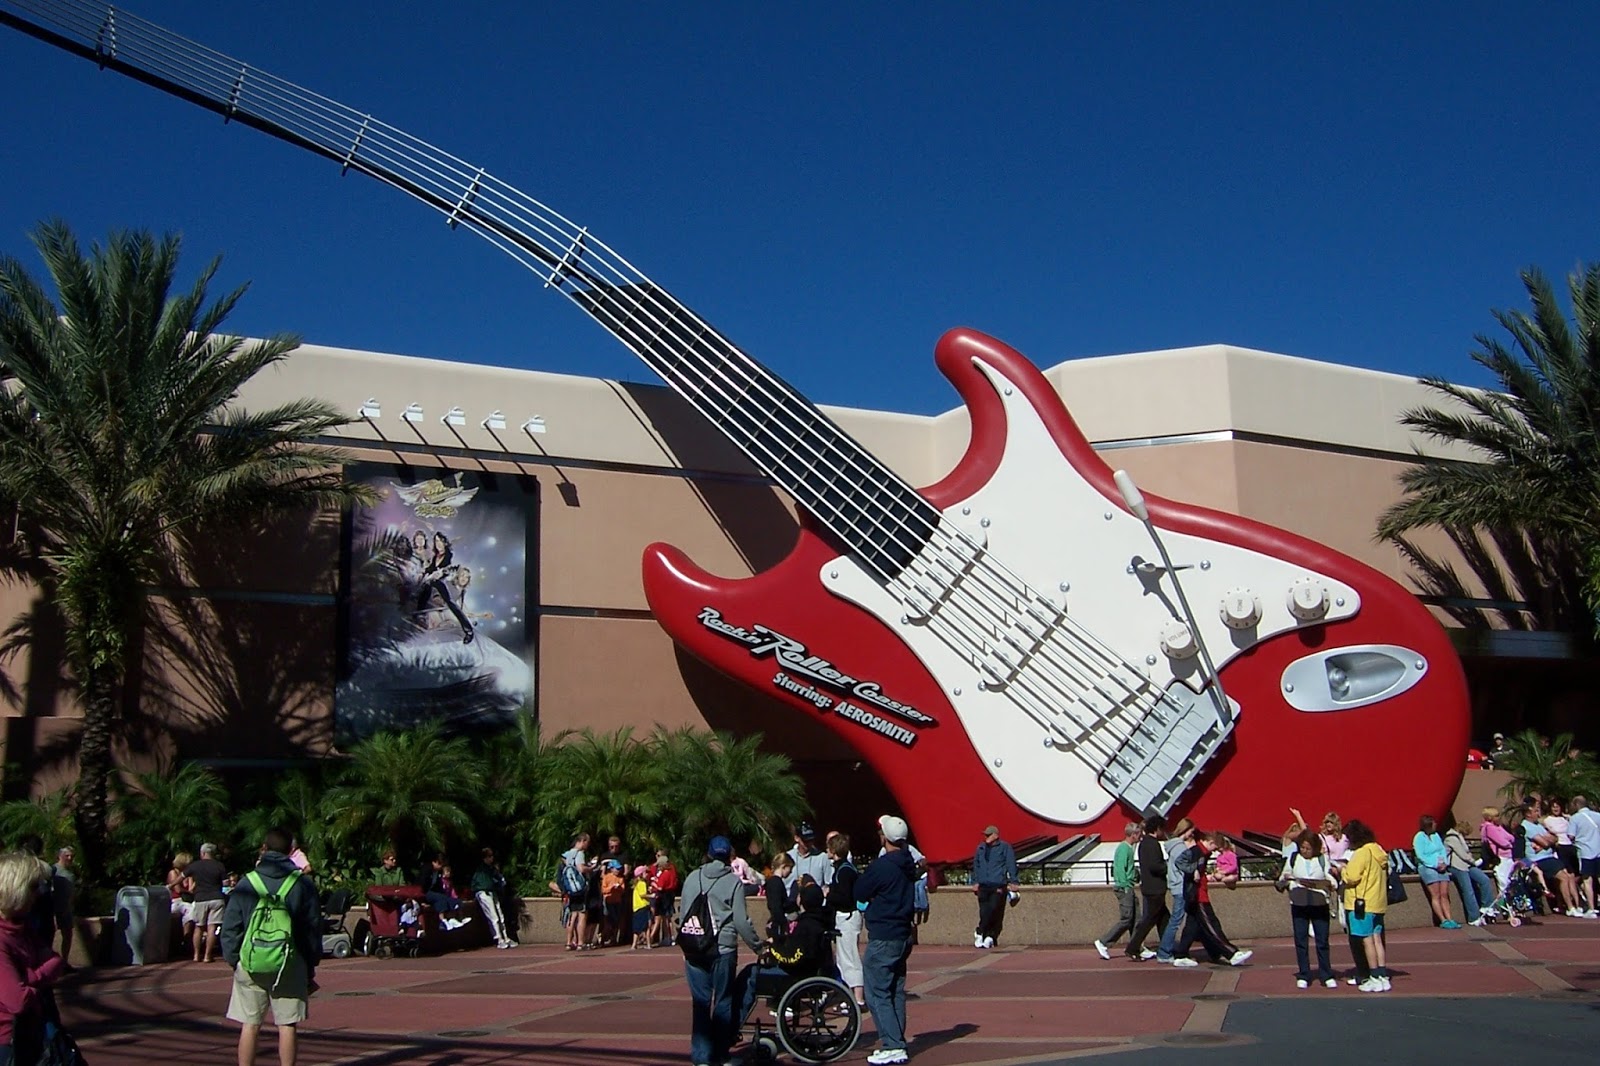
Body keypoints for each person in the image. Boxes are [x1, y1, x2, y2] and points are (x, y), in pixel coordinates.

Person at [221, 827, 321, 1066]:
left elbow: (230, 927)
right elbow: (312, 928)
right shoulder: (302, 885)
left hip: (251, 959)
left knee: (250, 1023)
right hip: (290, 961)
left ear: (264, 849)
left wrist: (235, 959)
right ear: (291, 851)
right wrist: (309, 965)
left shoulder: (247, 882)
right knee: (287, 1025)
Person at [677, 835, 762, 1066]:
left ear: (709, 853)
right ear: (728, 856)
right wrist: (757, 945)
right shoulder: (733, 882)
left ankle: (702, 1057)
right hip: (722, 948)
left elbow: (683, 913)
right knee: (723, 1000)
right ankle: (720, 1053)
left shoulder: (693, 877)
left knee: (700, 1003)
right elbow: (741, 921)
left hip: (694, 947)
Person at [855, 814, 917, 1066]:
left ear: (885, 838)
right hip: (903, 934)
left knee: (877, 991)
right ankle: (896, 1039)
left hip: (884, 935)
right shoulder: (907, 862)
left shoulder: (883, 866)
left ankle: (893, 1043)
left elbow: (859, 891)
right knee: (895, 990)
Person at [0, 851, 68, 1065]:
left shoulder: (23, 928)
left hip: (34, 1032)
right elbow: (17, 1000)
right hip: (8, 1042)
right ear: (14, 889)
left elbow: (56, 961)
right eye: (32, 887)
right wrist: (37, 976)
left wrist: (30, 977)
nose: (38, 893)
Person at [1169, 826, 1252, 968]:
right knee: (1211, 924)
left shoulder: (1201, 852)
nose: (1214, 851)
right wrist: (1193, 871)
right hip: (1198, 894)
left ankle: (1182, 954)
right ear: (1211, 842)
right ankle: (1231, 953)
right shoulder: (1197, 851)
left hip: (1197, 893)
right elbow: (1180, 861)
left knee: (1192, 927)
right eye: (1214, 847)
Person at [1278, 829, 1338, 988]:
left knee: (1322, 941)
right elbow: (1284, 877)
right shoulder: (1294, 858)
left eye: (1308, 848)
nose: (1304, 851)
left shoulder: (1322, 859)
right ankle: (1304, 974)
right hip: (1299, 902)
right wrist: (1289, 881)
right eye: (1302, 847)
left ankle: (1326, 974)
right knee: (1301, 940)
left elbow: (1329, 877)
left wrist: (1331, 883)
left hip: (1319, 903)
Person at [1341, 819, 1390, 992]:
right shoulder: (1378, 850)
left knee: (1366, 940)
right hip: (1378, 902)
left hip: (1361, 902)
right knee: (1377, 939)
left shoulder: (1362, 853)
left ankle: (1374, 976)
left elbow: (1352, 877)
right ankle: (1382, 975)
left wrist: (1342, 870)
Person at [1520, 799, 1582, 914]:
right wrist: (1547, 841)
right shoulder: (1526, 826)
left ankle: (1570, 905)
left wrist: (1548, 840)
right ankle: (1570, 907)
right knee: (1563, 877)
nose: (1538, 814)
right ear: (1528, 814)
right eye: (1535, 811)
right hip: (1539, 859)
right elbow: (1546, 842)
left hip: (1550, 856)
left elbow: (1554, 838)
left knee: (1568, 876)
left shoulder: (1538, 825)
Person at [827, 833, 865, 1007]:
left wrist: (828, 894)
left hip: (848, 916)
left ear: (834, 850)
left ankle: (858, 997)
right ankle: (849, 995)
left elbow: (845, 898)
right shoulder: (842, 868)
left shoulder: (845, 871)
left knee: (850, 957)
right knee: (843, 958)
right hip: (844, 917)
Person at [1094, 822, 1142, 960]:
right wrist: (1126, 885)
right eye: (1138, 834)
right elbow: (1120, 869)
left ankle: (1137, 946)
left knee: (1136, 918)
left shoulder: (1128, 848)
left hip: (1128, 886)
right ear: (1133, 835)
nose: (1140, 837)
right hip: (1125, 887)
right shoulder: (1124, 849)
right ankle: (1104, 942)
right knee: (1127, 919)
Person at [1126, 814, 1167, 961]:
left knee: (1164, 919)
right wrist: (1166, 867)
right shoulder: (1153, 844)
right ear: (1157, 829)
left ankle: (1166, 947)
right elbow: (1155, 866)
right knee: (1150, 920)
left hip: (1149, 886)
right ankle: (1133, 947)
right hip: (1156, 887)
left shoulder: (1144, 843)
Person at [971, 824, 1020, 950]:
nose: (986, 837)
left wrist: (1014, 881)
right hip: (983, 884)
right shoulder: (981, 848)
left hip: (998, 884)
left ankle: (986, 934)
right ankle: (983, 933)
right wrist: (975, 881)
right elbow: (976, 865)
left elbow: (1010, 864)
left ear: (995, 836)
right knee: (984, 911)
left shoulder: (1005, 848)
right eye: (985, 835)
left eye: (988, 835)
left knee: (994, 910)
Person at [1443, 819, 1495, 926]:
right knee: (1468, 891)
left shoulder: (1459, 836)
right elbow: (1462, 854)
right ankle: (1473, 917)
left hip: (1467, 865)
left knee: (1484, 880)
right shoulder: (1451, 838)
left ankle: (1487, 906)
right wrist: (1474, 861)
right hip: (1457, 866)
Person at [1156, 817, 1194, 963]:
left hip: (1175, 885)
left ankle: (1167, 950)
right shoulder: (1180, 847)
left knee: (1176, 920)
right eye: (1191, 831)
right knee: (1175, 920)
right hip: (1180, 886)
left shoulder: (1173, 846)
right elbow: (1184, 865)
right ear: (1186, 830)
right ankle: (1164, 951)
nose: (1191, 834)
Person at [1412, 815, 1459, 928]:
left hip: (1441, 866)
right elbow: (1421, 855)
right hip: (1428, 867)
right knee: (1436, 894)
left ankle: (1450, 918)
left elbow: (1442, 850)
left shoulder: (1436, 836)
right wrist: (1434, 865)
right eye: (1433, 824)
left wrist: (1445, 863)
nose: (1436, 825)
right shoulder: (1419, 837)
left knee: (1444, 894)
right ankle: (1443, 920)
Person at [186, 842, 229, 964]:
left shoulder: (195, 865)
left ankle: (196, 955)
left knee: (199, 927)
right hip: (216, 898)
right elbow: (225, 883)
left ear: (203, 853)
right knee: (212, 927)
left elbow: (183, 876)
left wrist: (171, 885)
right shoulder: (219, 866)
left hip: (200, 898)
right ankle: (207, 955)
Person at [471, 848, 516, 949]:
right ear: (485, 858)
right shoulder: (481, 870)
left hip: (492, 892)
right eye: (489, 856)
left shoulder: (491, 869)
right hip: (484, 893)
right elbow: (480, 884)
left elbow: (498, 879)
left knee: (500, 915)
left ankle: (506, 937)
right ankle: (499, 939)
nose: (492, 858)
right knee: (493, 916)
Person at [559, 833, 594, 950]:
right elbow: (581, 868)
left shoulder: (567, 854)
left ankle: (569, 942)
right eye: (587, 843)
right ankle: (580, 942)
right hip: (580, 888)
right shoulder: (580, 854)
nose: (587, 846)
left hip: (570, 888)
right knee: (582, 915)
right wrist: (591, 868)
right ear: (582, 841)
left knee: (572, 915)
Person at [1568, 796, 1600, 917]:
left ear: (1576, 805)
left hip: (1585, 852)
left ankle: (1591, 908)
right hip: (1598, 850)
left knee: (1587, 881)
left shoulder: (1575, 818)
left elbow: (1570, 836)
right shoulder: (1597, 816)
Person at [786, 824, 832, 895]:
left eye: (811, 840)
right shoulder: (788, 857)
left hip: (814, 901)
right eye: (805, 840)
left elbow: (828, 883)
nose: (809, 843)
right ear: (796, 838)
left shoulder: (822, 857)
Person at [47, 848, 74, 965]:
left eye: (71, 856)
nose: (70, 858)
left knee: (68, 935)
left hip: (66, 908)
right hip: (53, 908)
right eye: (67, 855)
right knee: (49, 936)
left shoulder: (70, 874)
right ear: (59, 856)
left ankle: (64, 962)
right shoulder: (52, 870)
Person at [650, 850, 679, 946]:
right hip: (669, 894)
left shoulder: (665, 873)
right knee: (668, 917)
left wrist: (654, 883)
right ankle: (670, 937)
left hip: (664, 895)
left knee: (665, 917)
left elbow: (660, 886)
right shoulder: (672, 870)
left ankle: (668, 937)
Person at [763, 854, 795, 940]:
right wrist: (783, 924)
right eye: (790, 868)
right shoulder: (776, 883)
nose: (791, 872)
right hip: (778, 925)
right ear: (784, 866)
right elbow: (776, 906)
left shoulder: (773, 882)